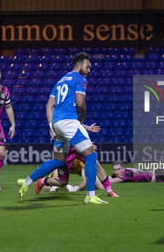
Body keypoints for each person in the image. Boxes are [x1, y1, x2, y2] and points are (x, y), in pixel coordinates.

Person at [17, 52, 107, 204]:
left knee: (59, 161)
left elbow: (49, 105)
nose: (89, 70)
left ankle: (26, 182)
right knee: (91, 156)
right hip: (69, 123)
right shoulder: (80, 78)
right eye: (87, 66)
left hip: (58, 124)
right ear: (78, 65)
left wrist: (52, 126)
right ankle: (90, 196)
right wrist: (82, 118)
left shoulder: (60, 81)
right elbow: (80, 103)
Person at [34, 146, 119, 197]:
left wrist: (76, 188)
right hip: (68, 153)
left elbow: (86, 179)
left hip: (78, 149)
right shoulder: (64, 124)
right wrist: (53, 186)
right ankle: (42, 181)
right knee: (62, 183)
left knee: (96, 165)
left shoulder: (80, 162)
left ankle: (109, 191)